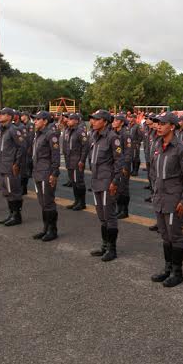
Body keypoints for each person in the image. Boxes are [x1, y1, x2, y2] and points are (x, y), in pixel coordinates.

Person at [149, 112, 183, 287]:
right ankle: (168, 268)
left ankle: (177, 272)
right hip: (160, 197)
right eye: (157, 123)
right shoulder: (157, 144)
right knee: (165, 235)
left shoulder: (181, 148)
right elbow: (153, 171)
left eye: (162, 123)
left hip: (174, 198)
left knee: (175, 235)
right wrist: (155, 191)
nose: (158, 126)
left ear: (172, 126)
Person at [88, 110, 124, 261]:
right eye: (92, 119)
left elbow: (119, 161)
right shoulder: (94, 136)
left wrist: (115, 181)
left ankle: (112, 249)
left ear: (104, 121)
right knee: (102, 216)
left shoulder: (112, 138)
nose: (93, 122)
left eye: (96, 119)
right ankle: (104, 245)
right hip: (96, 181)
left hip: (107, 182)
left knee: (109, 216)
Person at [31, 111, 62, 241]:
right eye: (35, 119)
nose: (35, 121)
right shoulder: (38, 134)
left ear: (45, 121)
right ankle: (45, 228)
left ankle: (52, 230)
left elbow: (55, 155)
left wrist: (54, 173)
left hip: (46, 172)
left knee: (48, 202)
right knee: (42, 202)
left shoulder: (51, 134)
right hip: (37, 172)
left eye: (38, 119)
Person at [0, 108, 26, 227]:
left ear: (9, 117)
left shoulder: (14, 130)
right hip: (3, 166)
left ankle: (17, 216)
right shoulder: (2, 129)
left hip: (10, 167)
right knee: (6, 191)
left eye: (3, 114)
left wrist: (17, 163)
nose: (0, 116)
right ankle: (11, 213)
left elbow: (22, 147)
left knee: (14, 191)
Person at [63, 113, 89, 211]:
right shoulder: (68, 130)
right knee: (73, 182)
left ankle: (82, 203)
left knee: (79, 182)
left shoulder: (80, 131)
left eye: (70, 119)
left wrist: (82, 160)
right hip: (70, 160)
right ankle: (76, 201)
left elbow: (85, 146)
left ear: (76, 121)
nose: (67, 120)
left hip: (76, 161)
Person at [111, 113, 133, 219]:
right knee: (118, 188)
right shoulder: (115, 133)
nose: (114, 122)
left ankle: (124, 210)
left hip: (123, 165)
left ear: (122, 122)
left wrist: (125, 166)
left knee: (123, 188)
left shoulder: (125, 134)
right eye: (114, 120)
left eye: (116, 120)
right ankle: (119, 209)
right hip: (116, 165)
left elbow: (128, 152)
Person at [19, 111, 35, 196]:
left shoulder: (30, 125)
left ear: (25, 116)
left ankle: (23, 188)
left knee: (26, 166)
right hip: (23, 148)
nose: (21, 117)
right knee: (23, 168)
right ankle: (22, 188)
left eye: (22, 116)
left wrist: (29, 148)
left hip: (27, 148)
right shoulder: (24, 125)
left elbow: (31, 137)